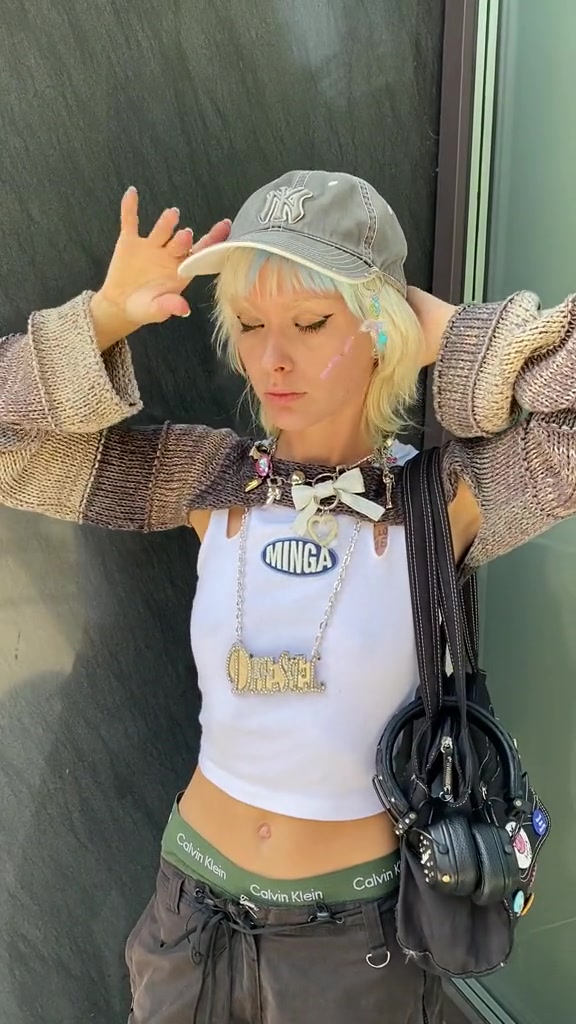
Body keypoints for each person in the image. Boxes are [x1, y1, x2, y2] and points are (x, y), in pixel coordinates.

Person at [1, 170, 575, 1024]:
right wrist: (103, 320)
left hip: (352, 947)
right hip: (190, 913)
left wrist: (456, 335)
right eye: (250, 324)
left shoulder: (446, 499)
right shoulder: (210, 477)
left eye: (310, 324)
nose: (272, 358)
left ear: (381, 328)